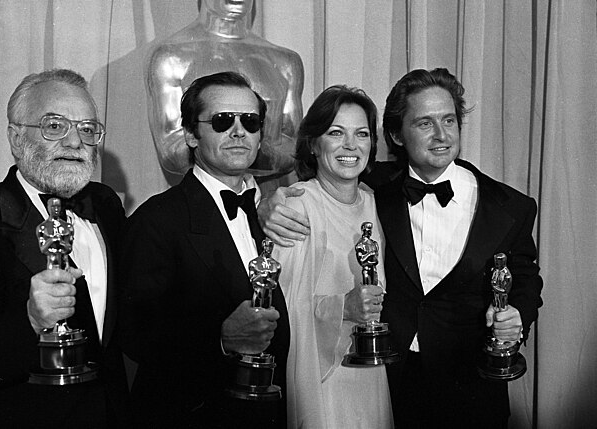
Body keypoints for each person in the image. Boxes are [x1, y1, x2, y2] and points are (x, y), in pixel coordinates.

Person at [259, 68, 544, 428]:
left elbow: (525, 280)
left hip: (471, 389)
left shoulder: (510, 205)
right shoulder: (377, 187)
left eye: (449, 120)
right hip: (388, 384)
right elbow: (322, 184)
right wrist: (264, 203)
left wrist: (518, 317)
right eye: (425, 123)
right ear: (396, 135)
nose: (441, 135)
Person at [0, 69, 129, 428]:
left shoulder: (106, 204)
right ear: (16, 137)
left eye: (87, 129)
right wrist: (31, 320)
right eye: (54, 126)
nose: (75, 142)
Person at [120, 71, 290, 428]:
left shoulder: (273, 212)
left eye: (250, 121)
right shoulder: (157, 219)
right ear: (190, 135)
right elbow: (134, 333)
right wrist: (221, 339)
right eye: (222, 120)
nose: (239, 132)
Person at [269, 85, 393, 429]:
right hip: (321, 381)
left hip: (371, 376)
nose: (351, 145)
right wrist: (344, 308)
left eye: (361, 134)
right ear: (313, 143)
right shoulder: (297, 205)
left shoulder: (375, 204)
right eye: (336, 133)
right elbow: (286, 310)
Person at [145, 0, 304, 179]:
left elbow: (293, 149)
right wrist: (247, 149)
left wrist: (232, 148)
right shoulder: (171, 57)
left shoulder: (285, 62)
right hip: (201, 191)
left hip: (271, 190)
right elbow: (172, 152)